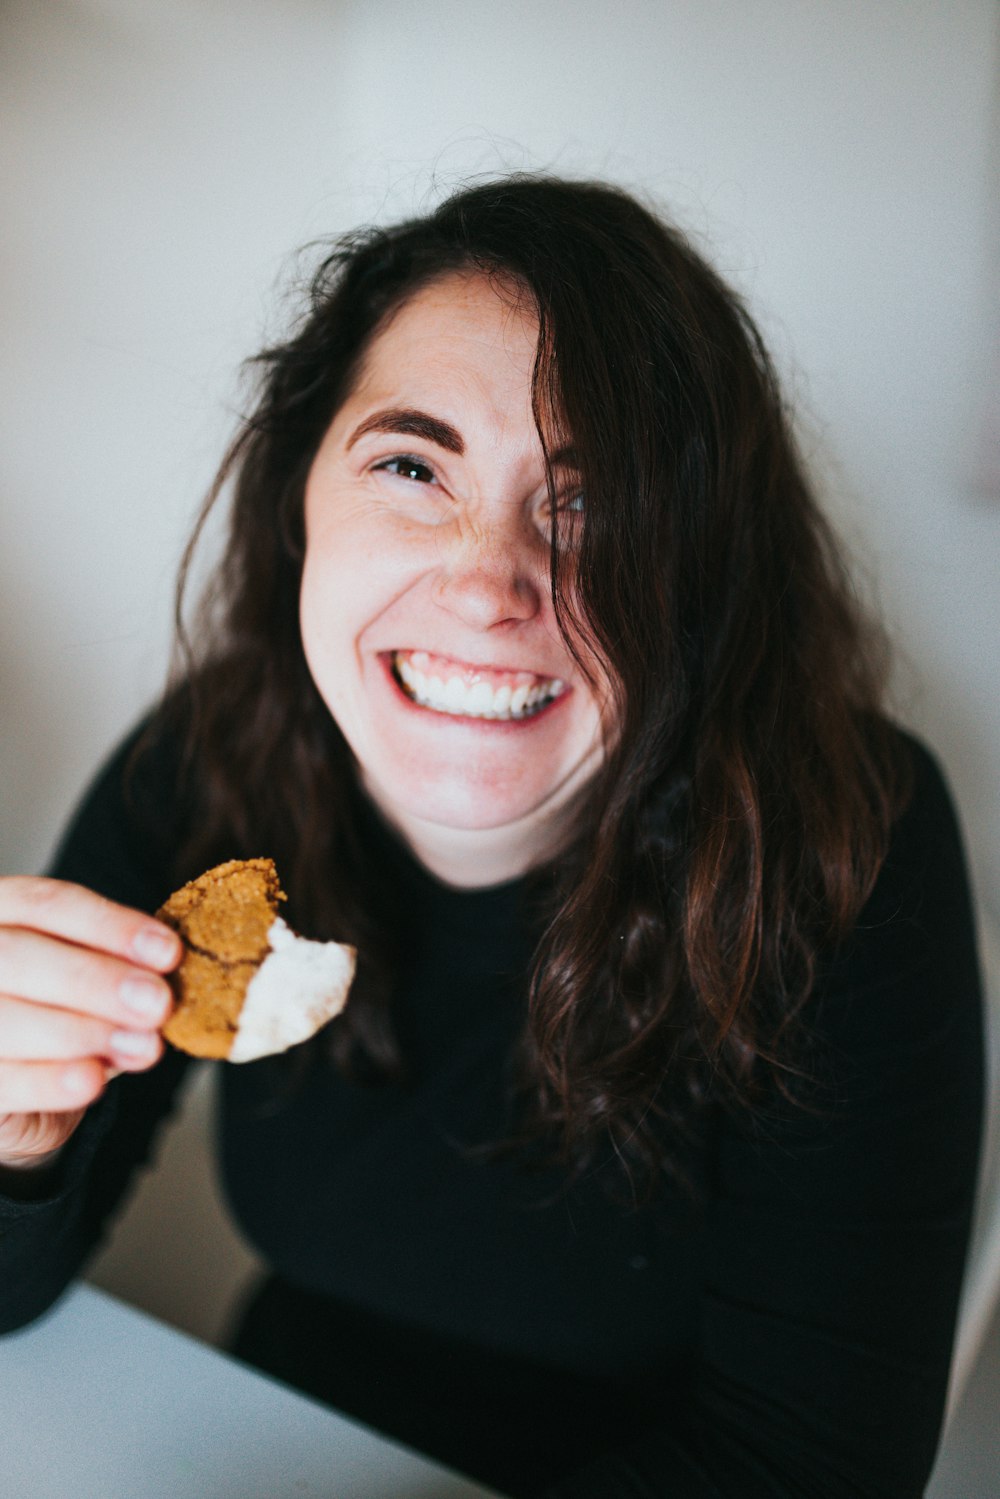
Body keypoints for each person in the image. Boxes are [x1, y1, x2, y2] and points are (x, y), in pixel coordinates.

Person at [0, 176, 984, 1498]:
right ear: (303, 500)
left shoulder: (845, 843)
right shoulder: (209, 766)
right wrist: (19, 1135)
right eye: (413, 467)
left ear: (700, 574)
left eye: (586, 502)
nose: (486, 582)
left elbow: (811, 1468)